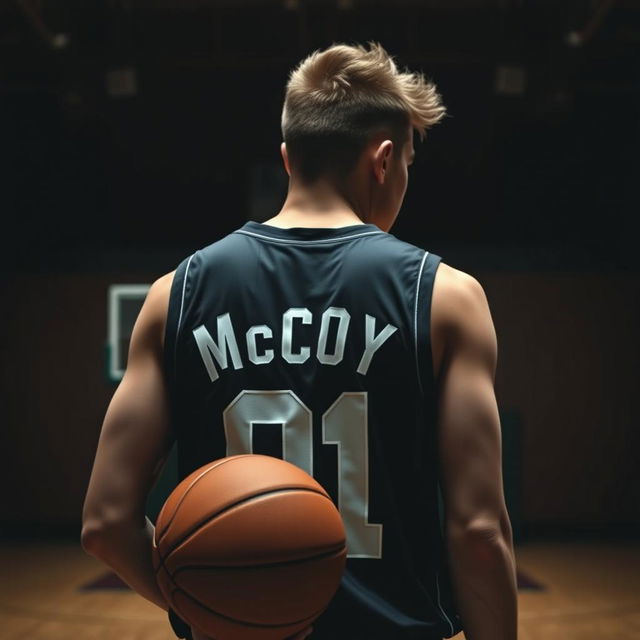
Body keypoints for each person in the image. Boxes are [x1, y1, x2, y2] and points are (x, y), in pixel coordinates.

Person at [81, 41, 518, 640]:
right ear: (384, 160)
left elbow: (105, 523)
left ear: (288, 159)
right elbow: (478, 531)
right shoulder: (445, 296)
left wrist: (220, 608)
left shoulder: (173, 295)